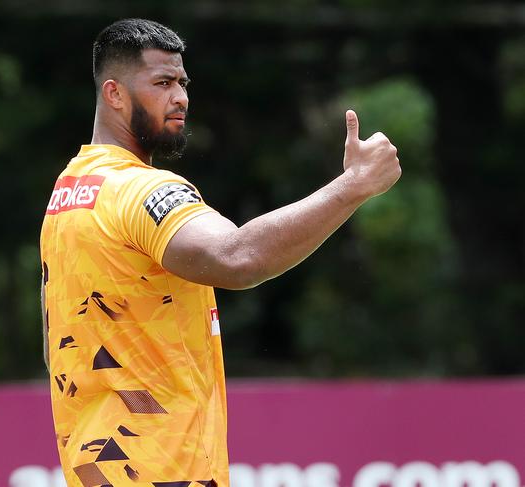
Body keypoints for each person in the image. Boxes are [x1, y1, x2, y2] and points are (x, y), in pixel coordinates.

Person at [40, 18, 400, 487]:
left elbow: (55, 346)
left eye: (183, 83)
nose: (181, 98)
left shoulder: (69, 191)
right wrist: (353, 188)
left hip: (96, 468)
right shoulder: (139, 189)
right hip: (160, 469)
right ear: (114, 94)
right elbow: (237, 257)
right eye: (162, 83)